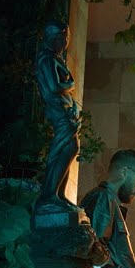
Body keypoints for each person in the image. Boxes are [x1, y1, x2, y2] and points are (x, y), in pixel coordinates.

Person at [35, 23, 80, 208]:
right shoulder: (47, 59)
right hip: (57, 110)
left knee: (70, 148)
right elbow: (54, 87)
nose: (66, 42)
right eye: (64, 38)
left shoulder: (55, 58)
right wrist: (71, 84)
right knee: (65, 148)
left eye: (67, 38)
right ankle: (49, 194)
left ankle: (58, 194)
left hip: (65, 109)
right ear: (55, 39)